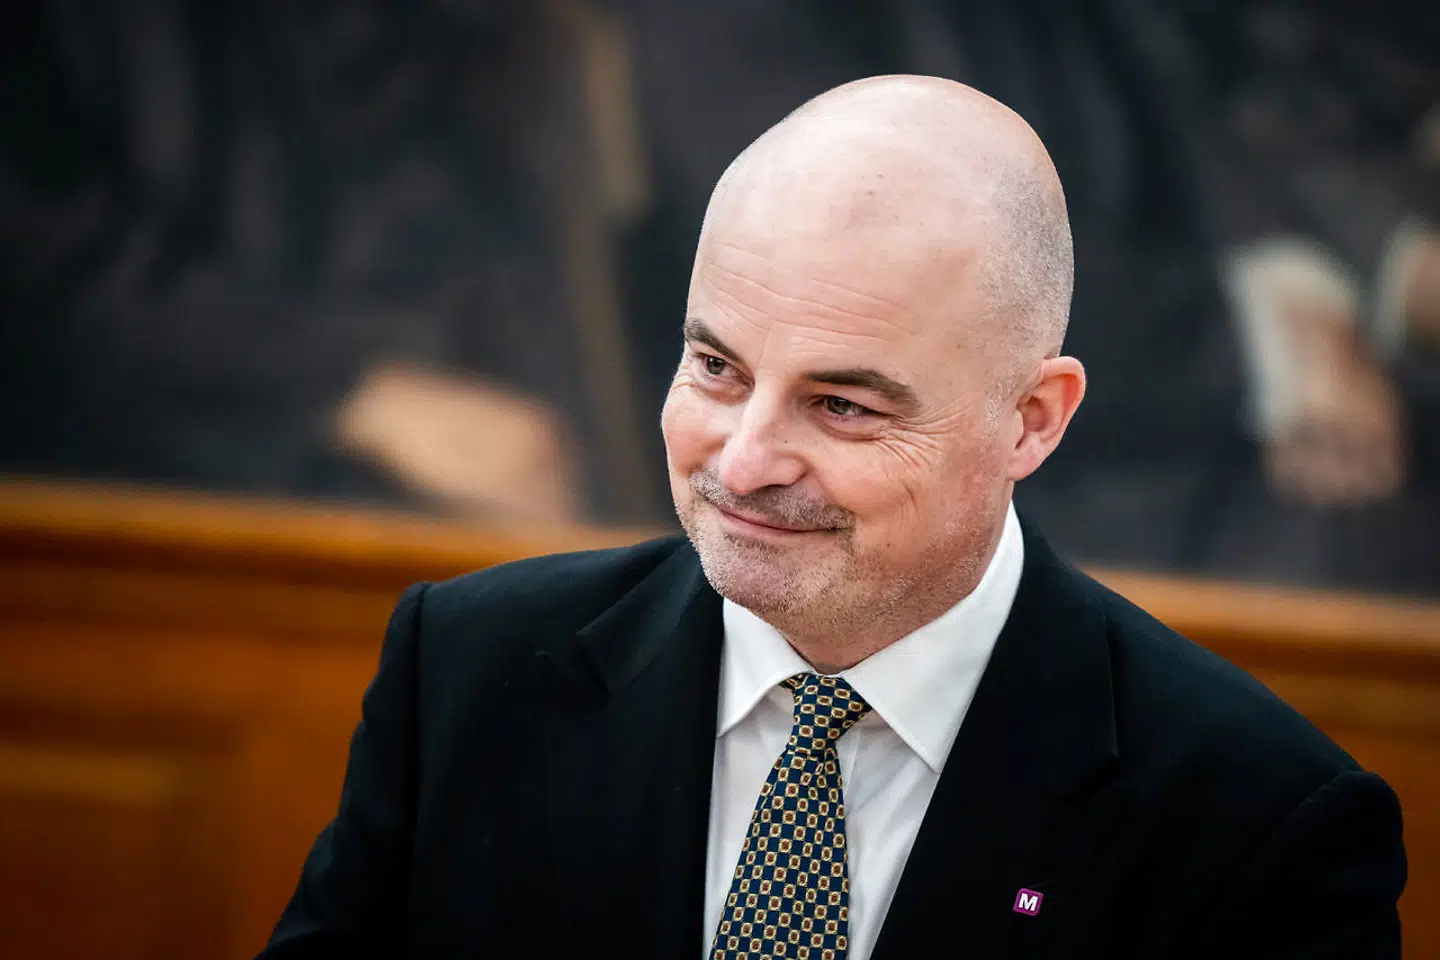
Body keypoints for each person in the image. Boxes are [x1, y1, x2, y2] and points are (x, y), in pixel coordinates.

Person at [261, 77, 1405, 959]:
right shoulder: (465, 673)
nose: (746, 462)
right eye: (715, 366)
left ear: (1033, 421)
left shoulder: (1261, 828)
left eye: (844, 405)